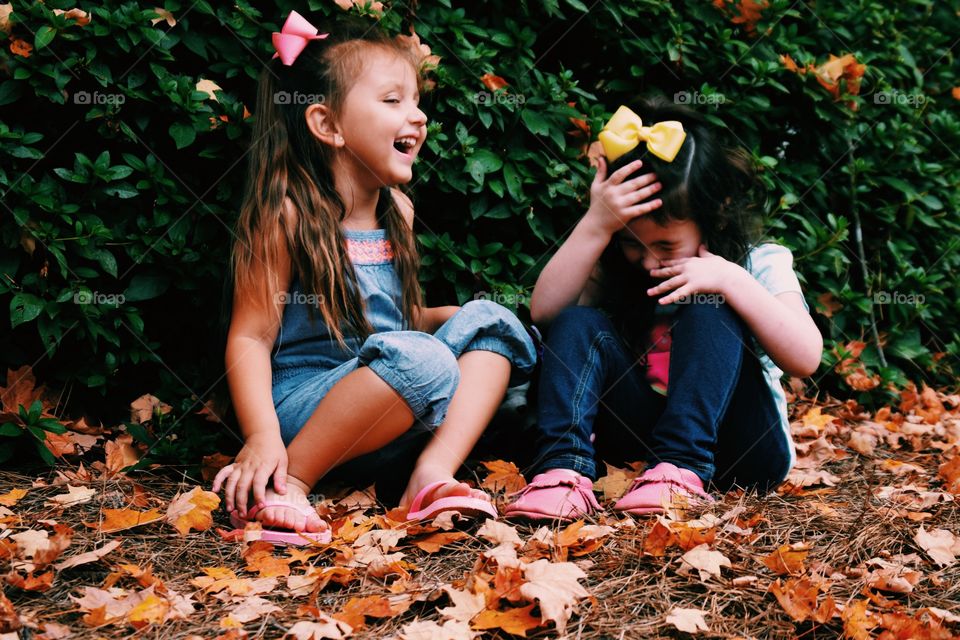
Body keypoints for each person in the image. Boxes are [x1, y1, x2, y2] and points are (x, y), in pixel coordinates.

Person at [212, 11, 537, 544]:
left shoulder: (397, 212)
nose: (418, 116)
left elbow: (400, 322)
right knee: (422, 359)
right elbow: (252, 335)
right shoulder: (289, 215)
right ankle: (290, 484)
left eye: (415, 101)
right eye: (392, 101)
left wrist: (454, 322)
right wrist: (262, 436)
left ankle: (430, 476)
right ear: (328, 125)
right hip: (306, 407)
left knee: (489, 321)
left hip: (394, 406)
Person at [505, 98, 822, 521]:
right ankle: (563, 471)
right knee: (578, 321)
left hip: (743, 448)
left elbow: (805, 358)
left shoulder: (757, 263)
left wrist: (730, 280)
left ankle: (682, 469)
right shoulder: (617, 266)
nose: (650, 261)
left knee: (712, 305)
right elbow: (546, 315)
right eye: (633, 243)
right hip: (638, 447)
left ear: (714, 219)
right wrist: (597, 224)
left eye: (666, 246)